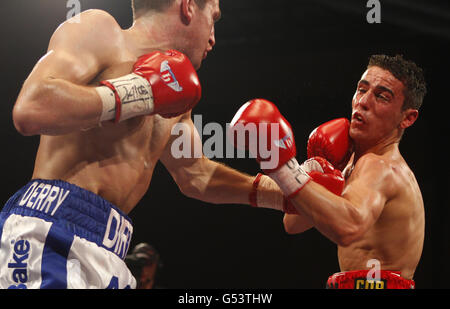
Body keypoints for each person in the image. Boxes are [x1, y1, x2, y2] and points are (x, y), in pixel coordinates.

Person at [0, 0, 301, 289]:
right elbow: (31, 108)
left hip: (110, 252)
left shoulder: (176, 95)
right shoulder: (100, 31)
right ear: (188, 6)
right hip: (53, 230)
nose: (213, 38)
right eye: (214, 18)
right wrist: (136, 92)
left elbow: (195, 175)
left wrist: (286, 193)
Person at [230, 54, 426, 289]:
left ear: (408, 118)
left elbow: (348, 228)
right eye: (361, 90)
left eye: (381, 96)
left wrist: (285, 168)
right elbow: (293, 223)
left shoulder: (383, 167)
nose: (363, 101)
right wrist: (319, 168)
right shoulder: (354, 161)